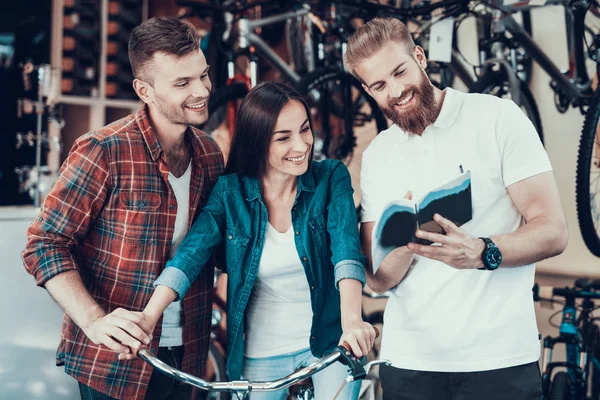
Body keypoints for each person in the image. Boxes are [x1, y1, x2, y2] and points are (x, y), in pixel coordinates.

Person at [342, 17, 569, 400]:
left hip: (499, 361)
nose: (396, 91)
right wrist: (402, 237)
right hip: (410, 363)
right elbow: (379, 280)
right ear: (368, 89)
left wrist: (483, 251)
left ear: (419, 57)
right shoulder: (379, 154)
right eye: (379, 85)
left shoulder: (498, 118)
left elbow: (552, 230)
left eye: (400, 72)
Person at [122, 82, 376, 399]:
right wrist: (148, 317)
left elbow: (346, 252)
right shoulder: (231, 194)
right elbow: (189, 256)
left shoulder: (330, 178)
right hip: (261, 351)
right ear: (257, 143)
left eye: (305, 130)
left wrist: (352, 321)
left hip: (329, 343)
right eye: (284, 137)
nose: (302, 145)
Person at [21, 17, 224, 399]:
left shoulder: (210, 153)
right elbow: (44, 244)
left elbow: (211, 247)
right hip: (115, 360)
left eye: (203, 75)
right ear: (144, 90)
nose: (202, 91)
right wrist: (94, 321)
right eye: (182, 83)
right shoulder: (105, 150)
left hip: (189, 353)